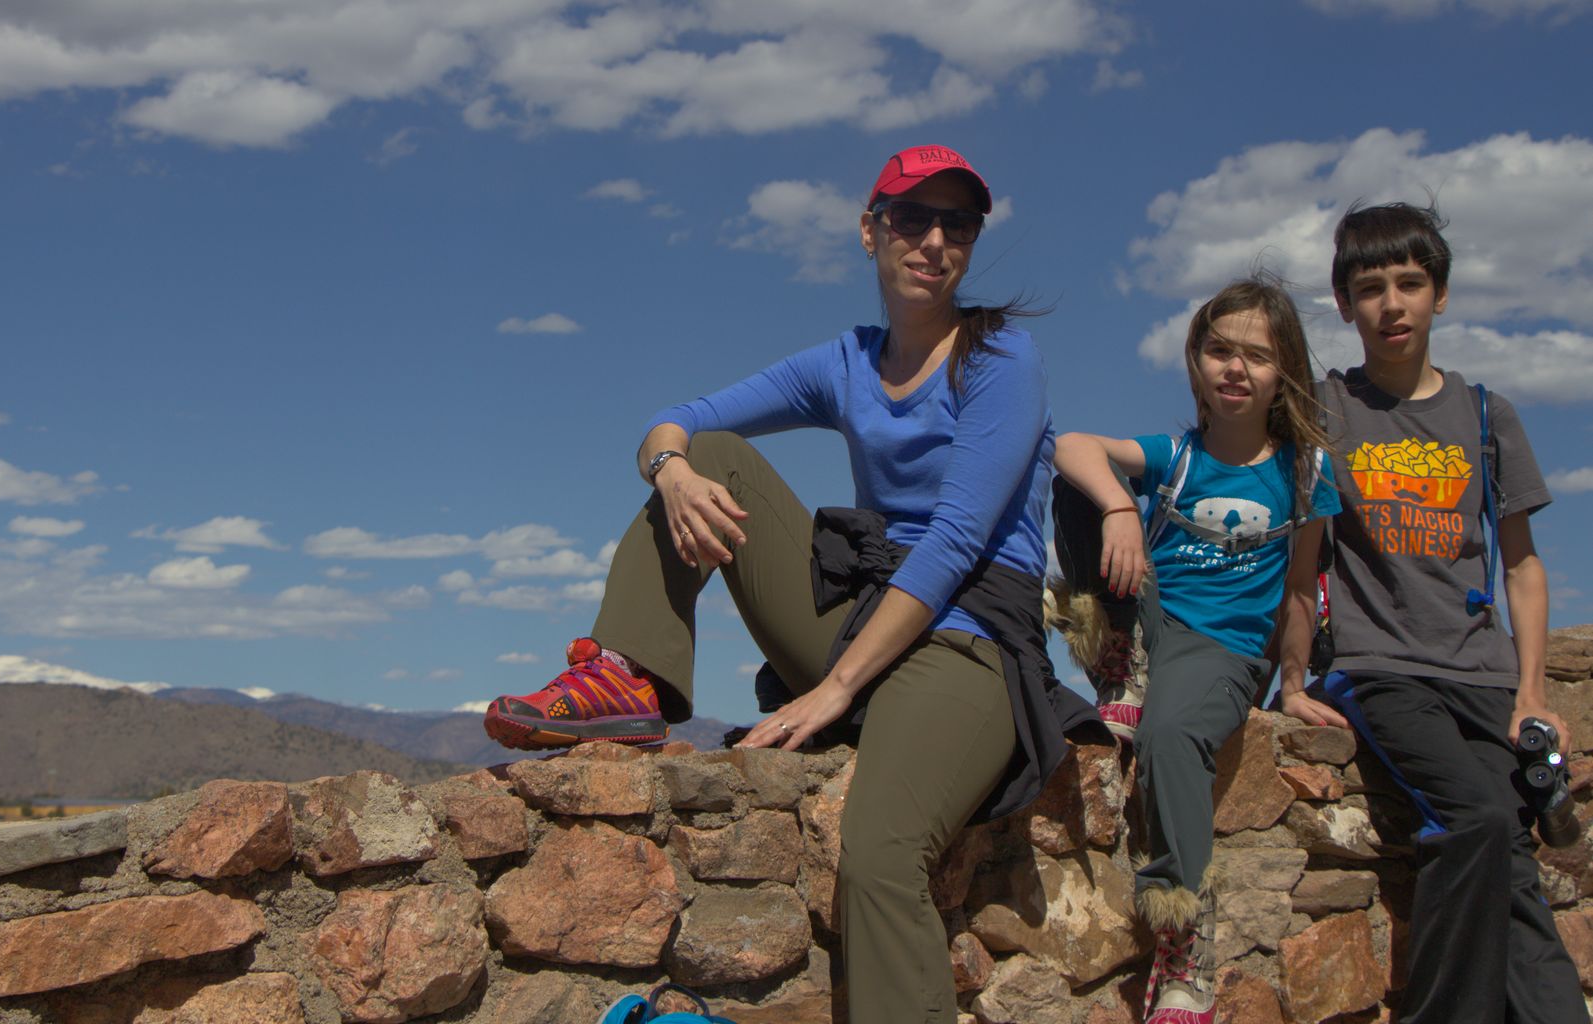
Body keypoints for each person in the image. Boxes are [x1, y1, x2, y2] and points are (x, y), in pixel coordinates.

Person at [476, 145, 1106, 1024]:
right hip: (866, 610)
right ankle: (627, 675)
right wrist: (672, 472)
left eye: (955, 223)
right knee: (718, 460)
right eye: (910, 218)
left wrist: (839, 690)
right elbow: (679, 422)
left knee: (882, 852)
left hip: (967, 636)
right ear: (869, 231)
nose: (932, 240)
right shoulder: (846, 362)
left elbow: (960, 539)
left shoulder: (1002, 357)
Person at [1278, 202, 1586, 1024]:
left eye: (1410, 283)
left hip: (1482, 675)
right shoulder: (1325, 409)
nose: (1392, 304)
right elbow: (1303, 557)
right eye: (1369, 287)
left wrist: (1532, 693)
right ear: (1344, 305)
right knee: (1479, 819)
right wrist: (1291, 674)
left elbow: (1519, 563)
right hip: (1383, 670)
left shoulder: (1487, 416)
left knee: (1510, 865)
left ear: (1439, 295)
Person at [1047, 277, 1339, 1024]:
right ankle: (1121, 667)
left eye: (1256, 356)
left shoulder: (1302, 473)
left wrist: (1295, 683)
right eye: (1218, 350)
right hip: (1148, 622)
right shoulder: (1173, 457)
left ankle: (1183, 942)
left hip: (1224, 649)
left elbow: (1301, 586)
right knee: (1081, 489)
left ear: (1284, 375)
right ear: (1194, 361)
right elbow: (1071, 444)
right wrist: (1118, 505)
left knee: (1172, 736)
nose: (1234, 368)